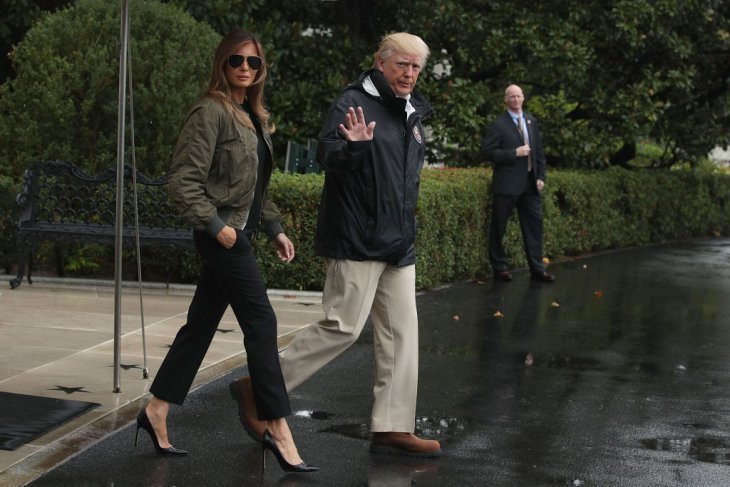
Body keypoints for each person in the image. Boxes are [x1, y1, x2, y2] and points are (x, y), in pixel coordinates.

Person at [229, 32, 442, 458]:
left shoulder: (412, 110)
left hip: (398, 243)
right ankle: (259, 388)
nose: (409, 74)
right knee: (342, 327)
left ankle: (392, 426)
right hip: (356, 238)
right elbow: (329, 156)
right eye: (402, 64)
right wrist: (355, 149)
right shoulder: (352, 102)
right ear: (381, 63)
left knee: (402, 334)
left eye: (416, 67)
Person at [134, 29, 317, 474]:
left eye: (254, 63)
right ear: (222, 63)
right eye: (237, 60)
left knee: (200, 326)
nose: (245, 69)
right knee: (262, 320)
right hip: (222, 236)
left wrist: (274, 228)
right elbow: (183, 182)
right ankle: (276, 425)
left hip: (241, 233)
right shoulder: (210, 112)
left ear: (261, 70)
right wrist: (218, 229)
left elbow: (255, 188)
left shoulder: (252, 115)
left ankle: (156, 408)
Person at [482, 84, 555, 283]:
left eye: (518, 96)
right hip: (507, 186)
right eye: (511, 96)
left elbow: (539, 152)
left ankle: (537, 269)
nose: (515, 99)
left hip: (530, 186)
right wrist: (514, 153)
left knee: (534, 227)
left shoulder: (531, 121)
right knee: (499, 228)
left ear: (523, 98)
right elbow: (488, 152)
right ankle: (500, 268)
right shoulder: (499, 125)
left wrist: (541, 177)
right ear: (506, 100)